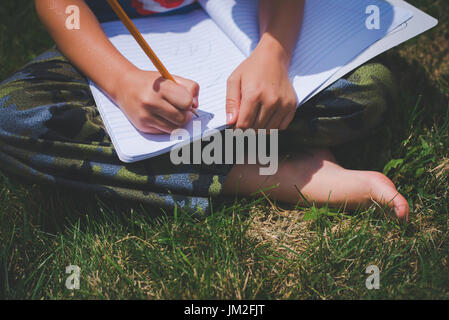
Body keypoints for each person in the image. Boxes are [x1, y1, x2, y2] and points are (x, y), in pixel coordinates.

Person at [0, 0, 409, 220]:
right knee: (11, 118)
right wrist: (121, 82)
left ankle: (208, 149)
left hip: (239, 33)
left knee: (367, 89)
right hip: (114, 46)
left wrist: (274, 53)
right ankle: (273, 174)